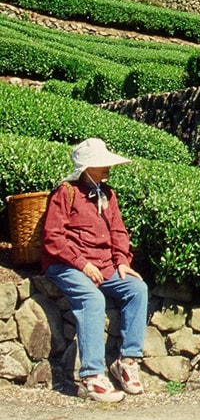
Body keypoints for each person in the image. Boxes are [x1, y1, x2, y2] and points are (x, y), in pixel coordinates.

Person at [42, 138, 148, 403]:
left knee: (137, 289)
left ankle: (127, 361)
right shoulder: (64, 193)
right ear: (87, 168)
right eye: (102, 165)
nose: (108, 168)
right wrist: (82, 264)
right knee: (92, 298)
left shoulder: (108, 194)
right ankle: (92, 377)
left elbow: (118, 231)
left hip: (104, 264)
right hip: (67, 265)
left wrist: (122, 260)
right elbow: (54, 238)